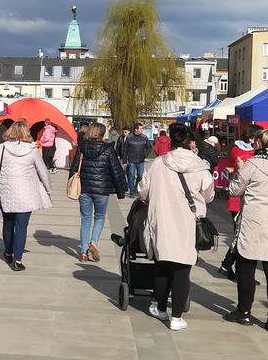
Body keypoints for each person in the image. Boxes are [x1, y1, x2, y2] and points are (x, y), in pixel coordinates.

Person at [138, 126, 214, 331]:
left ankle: (160, 308)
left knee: (162, 266)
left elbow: (142, 190)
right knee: (182, 270)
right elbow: (208, 195)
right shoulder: (200, 167)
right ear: (191, 144)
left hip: (162, 220)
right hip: (188, 222)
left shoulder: (158, 163)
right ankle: (177, 318)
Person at [0, 119, 53, 272]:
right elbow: (43, 171)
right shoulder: (32, 149)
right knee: (22, 227)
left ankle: (8, 252)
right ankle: (18, 260)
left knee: (8, 223)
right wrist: (48, 189)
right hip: (26, 193)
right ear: (26, 132)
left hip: (7, 190)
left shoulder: (2, 148)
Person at [225, 129, 268, 326]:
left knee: (246, 267)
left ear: (258, 144)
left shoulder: (252, 164)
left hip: (254, 220)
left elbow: (235, 190)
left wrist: (236, 172)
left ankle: (244, 311)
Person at [69, 122, 127, 262]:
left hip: (84, 189)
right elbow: (116, 171)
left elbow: (74, 167)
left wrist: (71, 182)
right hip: (102, 190)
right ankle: (93, 243)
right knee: (100, 217)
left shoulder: (82, 147)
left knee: (85, 220)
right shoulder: (108, 149)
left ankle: (83, 253)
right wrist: (121, 192)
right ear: (101, 134)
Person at [220, 124, 263, 280]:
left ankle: (227, 265)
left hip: (247, 200)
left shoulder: (244, 151)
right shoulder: (245, 153)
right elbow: (243, 172)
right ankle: (229, 265)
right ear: (253, 139)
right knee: (241, 237)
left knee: (241, 237)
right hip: (240, 200)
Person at [123, 122, 151, 197]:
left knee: (140, 176)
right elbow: (125, 150)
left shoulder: (144, 137)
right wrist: (125, 161)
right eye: (141, 128)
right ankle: (132, 192)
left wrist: (145, 155)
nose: (142, 130)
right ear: (136, 129)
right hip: (132, 160)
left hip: (141, 160)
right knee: (131, 175)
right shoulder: (129, 137)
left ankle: (136, 189)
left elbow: (149, 147)